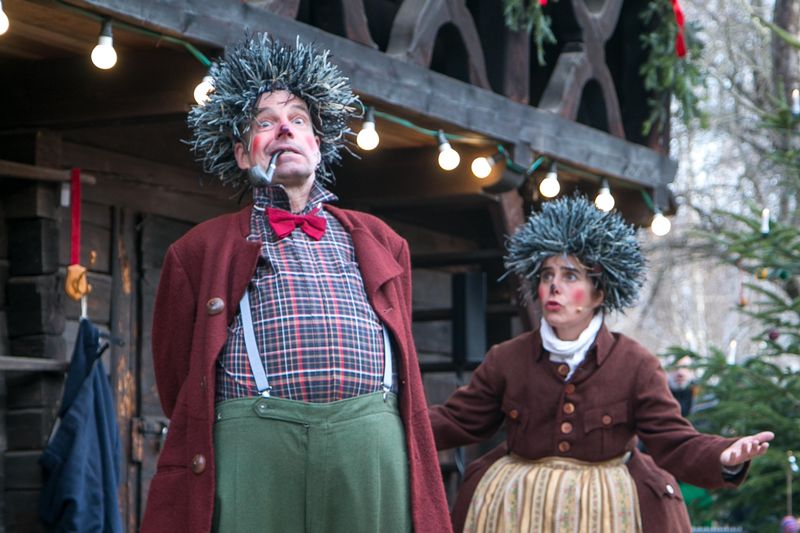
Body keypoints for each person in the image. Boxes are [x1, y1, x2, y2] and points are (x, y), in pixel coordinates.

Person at [140, 34, 451, 533]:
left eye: (298, 120)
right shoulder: (197, 251)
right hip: (254, 452)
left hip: (369, 446)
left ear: (318, 146)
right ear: (243, 154)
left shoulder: (382, 242)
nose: (285, 128)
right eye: (265, 122)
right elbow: (181, 380)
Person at [429, 195, 774, 533]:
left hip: (609, 512)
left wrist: (725, 455)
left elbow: (674, 441)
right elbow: (458, 420)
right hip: (516, 509)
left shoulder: (636, 364)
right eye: (547, 275)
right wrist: (392, 422)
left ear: (599, 293)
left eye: (570, 276)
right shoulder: (507, 358)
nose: (554, 287)